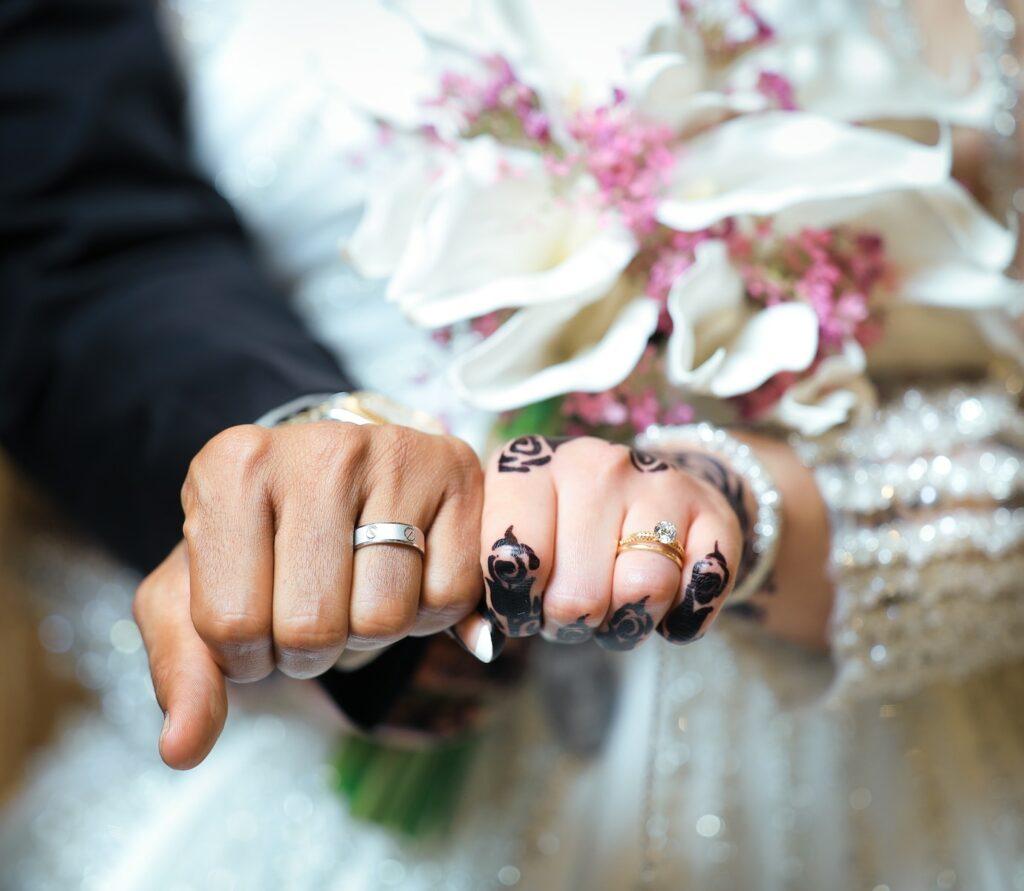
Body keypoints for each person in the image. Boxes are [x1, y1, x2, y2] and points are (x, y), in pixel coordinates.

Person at [1, 1, 1023, 889]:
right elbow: (69, 233)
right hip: (288, 796)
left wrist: (744, 499)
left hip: (889, 786)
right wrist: (308, 485)